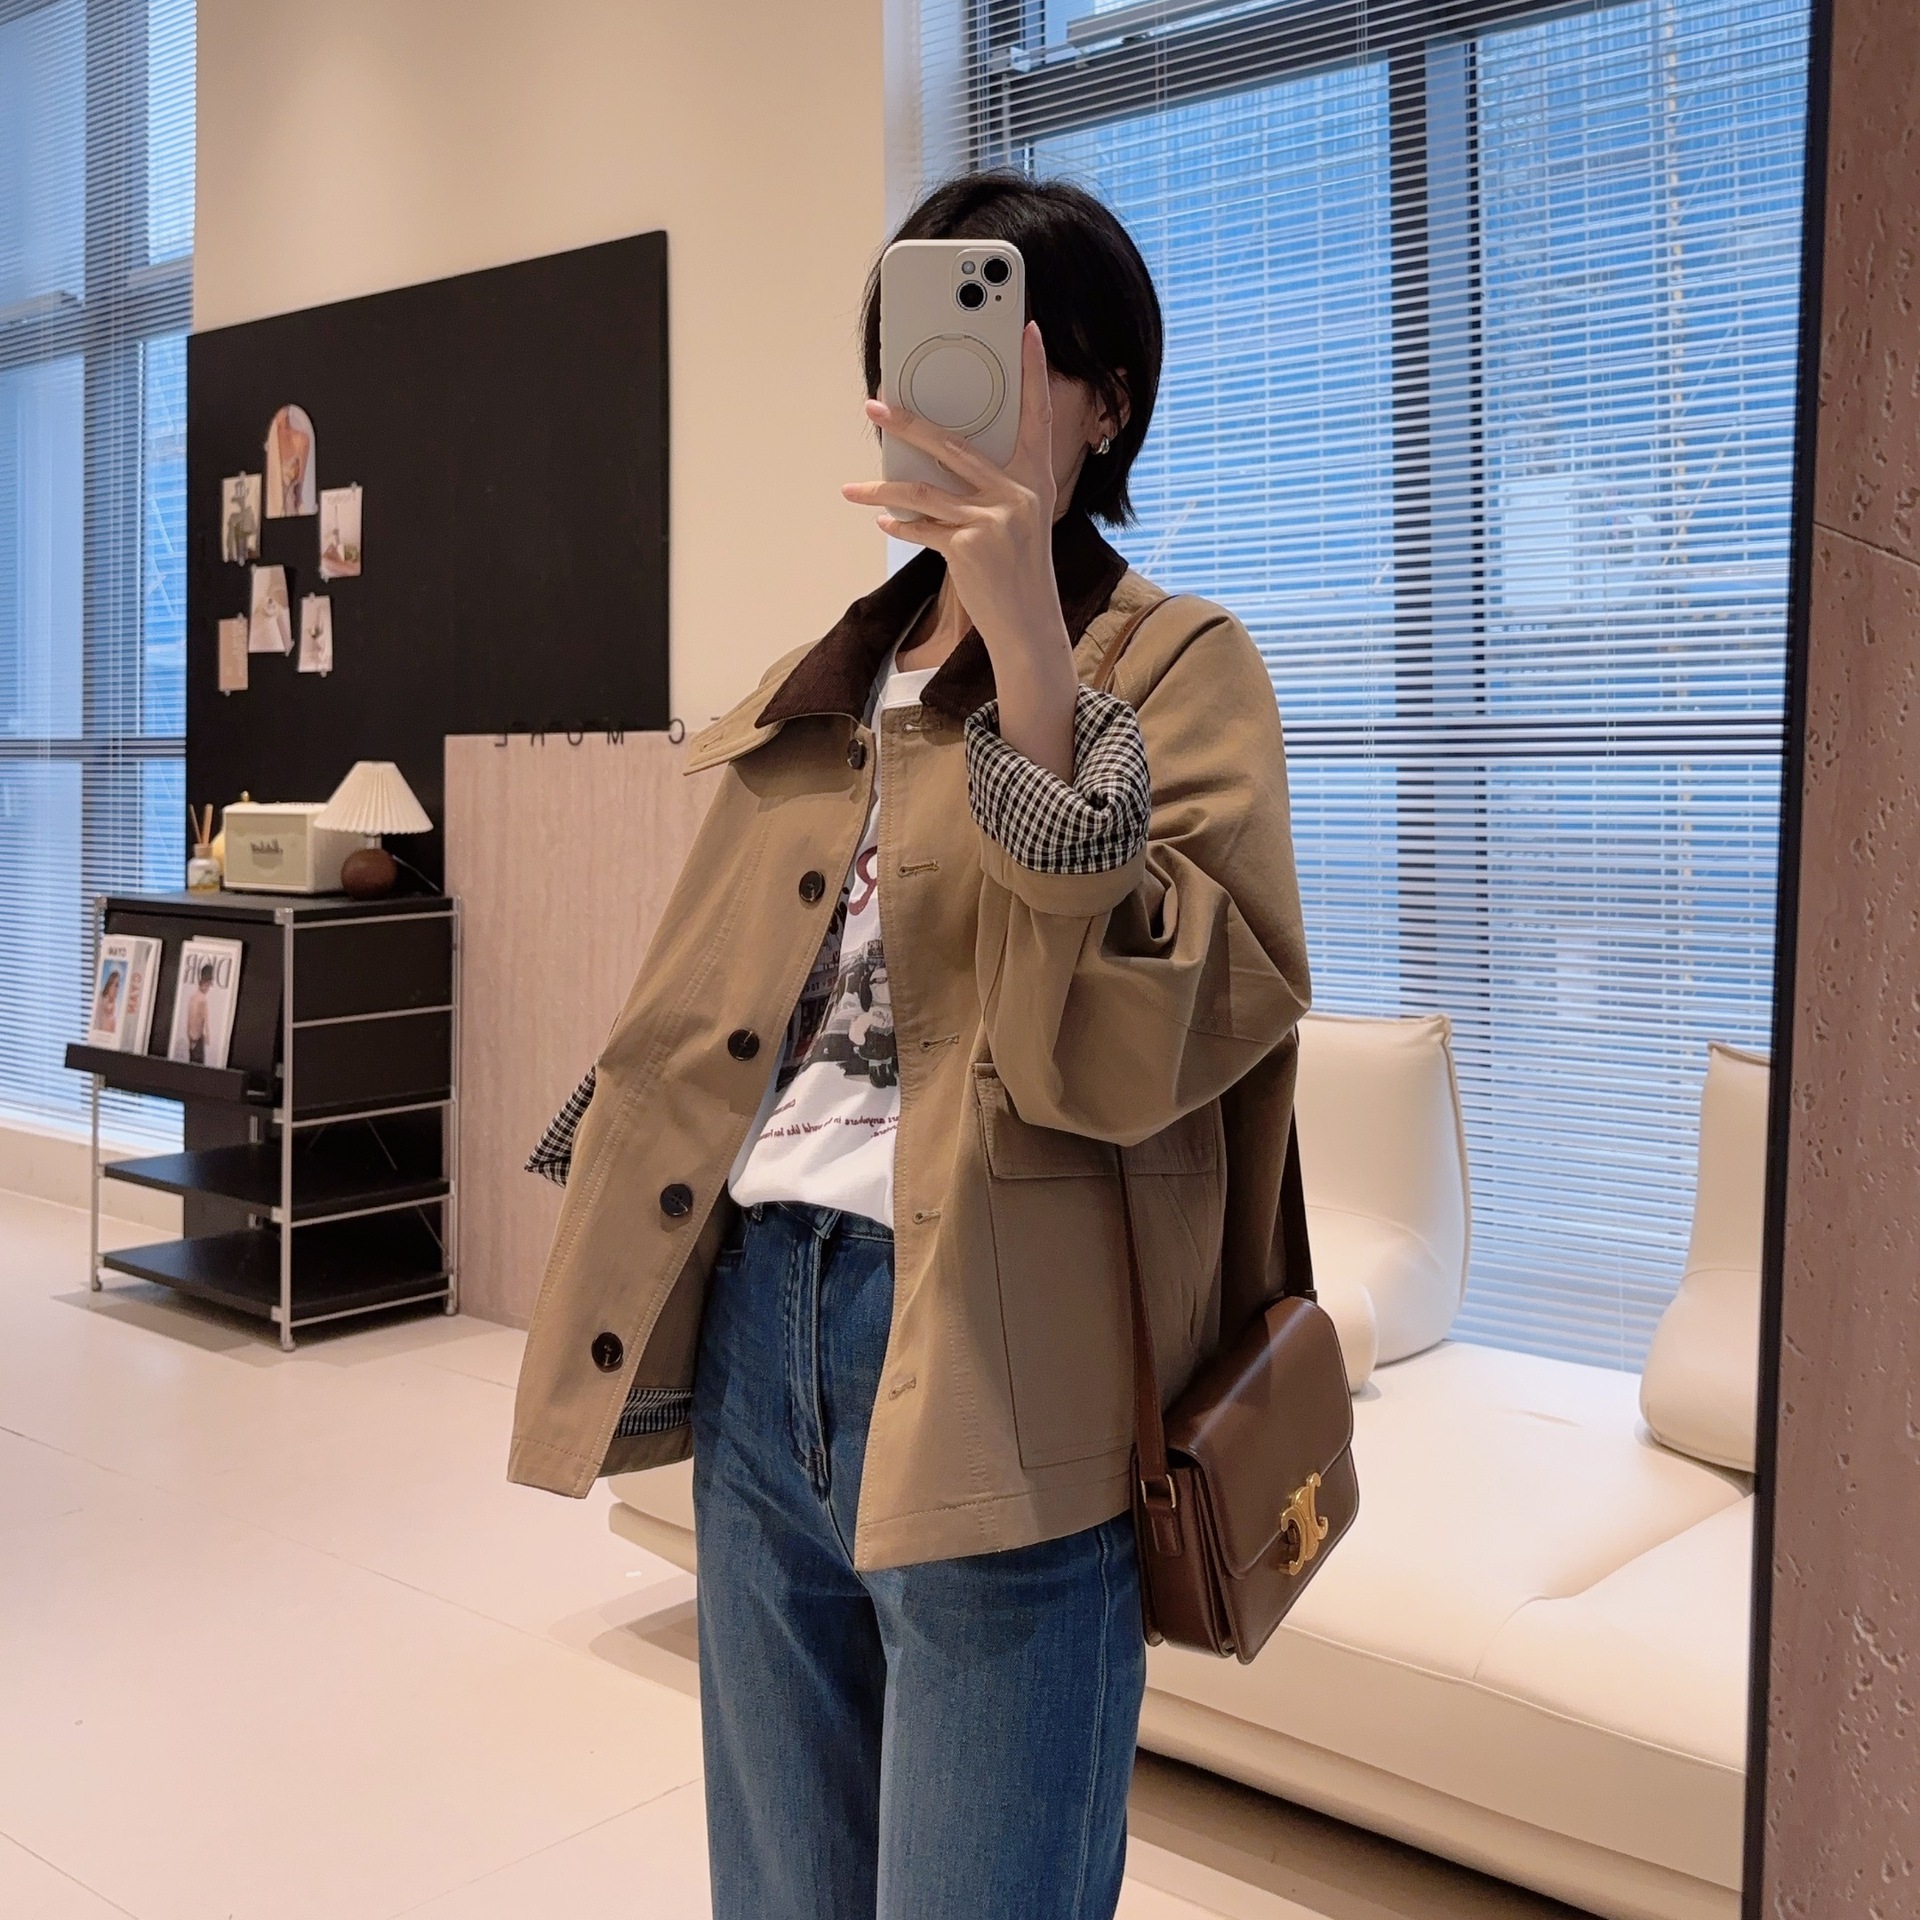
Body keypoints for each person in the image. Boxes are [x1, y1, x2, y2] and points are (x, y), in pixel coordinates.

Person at [508, 172, 1311, 1920]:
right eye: (917, 355)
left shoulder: (1181, 669)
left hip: (1003, 1365)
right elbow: (714, 1019)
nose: (947, 391)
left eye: (1012, 351)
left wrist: (1028, 644)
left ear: (1105, 405)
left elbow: (1129, 1054)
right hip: (764, 1332)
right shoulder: (825, 684)